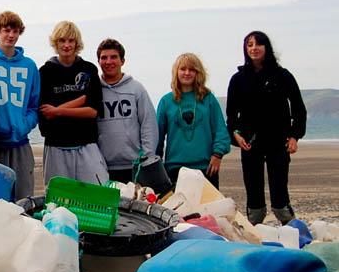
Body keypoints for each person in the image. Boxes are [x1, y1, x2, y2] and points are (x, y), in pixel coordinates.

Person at [227, 31, 307, 225]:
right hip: (250, 145)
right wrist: (235, 135)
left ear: (266, 48)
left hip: (278, 143)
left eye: (258, 44)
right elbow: (231, 115)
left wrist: (295, 136)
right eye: (249, 45)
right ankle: (255, 232)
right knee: (254, 198)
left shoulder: (282, 75)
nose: (254, 48)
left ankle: (291, 230)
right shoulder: (238, 79)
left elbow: (298, 108)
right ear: (245, 50)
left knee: (279, 196)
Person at [39, 21, 108, 185]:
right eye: (62, 41)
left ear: (77, 43)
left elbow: (93, 110)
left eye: (71, 41)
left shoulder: (89, 69)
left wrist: (57, 110)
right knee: (59, 202)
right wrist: (80, 100)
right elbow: (45, 113)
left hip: (86, 144)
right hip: (56, 146)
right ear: (56, 43)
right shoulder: (45, 72)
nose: (67, 45)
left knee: (97, 193)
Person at [0, 11, 40, 200]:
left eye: (15, 31)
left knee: (24, 198)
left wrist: (24, 125)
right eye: (6, 30)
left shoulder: (30, 66)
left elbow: (34, 106)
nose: (11, 35)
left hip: (20, 143)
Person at [156, 53, 230, 189]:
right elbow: (157, 136)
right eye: (183, 69)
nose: (187, 73)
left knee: (207, 210)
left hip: (206, 168)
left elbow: (220, 130)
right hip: (175, 169)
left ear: (198, 73)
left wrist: (218, 154)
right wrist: (156, 164)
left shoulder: (208, 99)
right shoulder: (166, 101)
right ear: (176, 72)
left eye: (192, 69)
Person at [96, 38, 158, 183]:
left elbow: (148, 125)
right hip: (103, 167)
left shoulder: (136, 89)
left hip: (135, 166)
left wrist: (147, 159)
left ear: (122, 61)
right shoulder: (94, 90)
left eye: (114, 57)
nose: (108, 61)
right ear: (98, 62)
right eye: (104, 58)